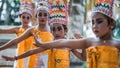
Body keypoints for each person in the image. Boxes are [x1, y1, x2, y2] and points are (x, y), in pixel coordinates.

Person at [14, 0, 119, 68]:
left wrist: (82, 45)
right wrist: (17, 58)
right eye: (53, 30)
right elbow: (38, 54)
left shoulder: (71, 45)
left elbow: (83, 57)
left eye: (99, 21)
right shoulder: (52, 44)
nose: (56, 32)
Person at [0, 1, 53, 68]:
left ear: (48, 17)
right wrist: (1, 48)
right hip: (33, 60)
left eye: (45, 15)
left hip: (48, 60)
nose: (42, 17)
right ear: (36, 16)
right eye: (40, 15)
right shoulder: (32, 30)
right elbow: (16, 41)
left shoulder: (52, 30)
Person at [0, 1, 33, 68]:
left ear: (30, 19)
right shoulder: (17, 29)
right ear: (19, 17)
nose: (25, 20)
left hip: (30, 56)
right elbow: (2, 31)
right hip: (19, 55)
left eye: (28, 17)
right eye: (23, 17)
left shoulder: (33, 30)